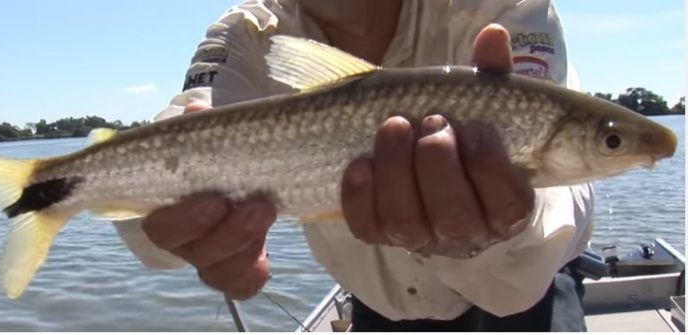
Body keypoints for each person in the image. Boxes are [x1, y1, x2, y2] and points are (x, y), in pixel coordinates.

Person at [112, 0, 593, 331]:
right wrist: (179, 234)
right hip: (380, 305)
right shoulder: (247, 30)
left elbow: (553, 208)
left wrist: (500, 226)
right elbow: (174, 141)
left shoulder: (500, 7)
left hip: (529, 294)